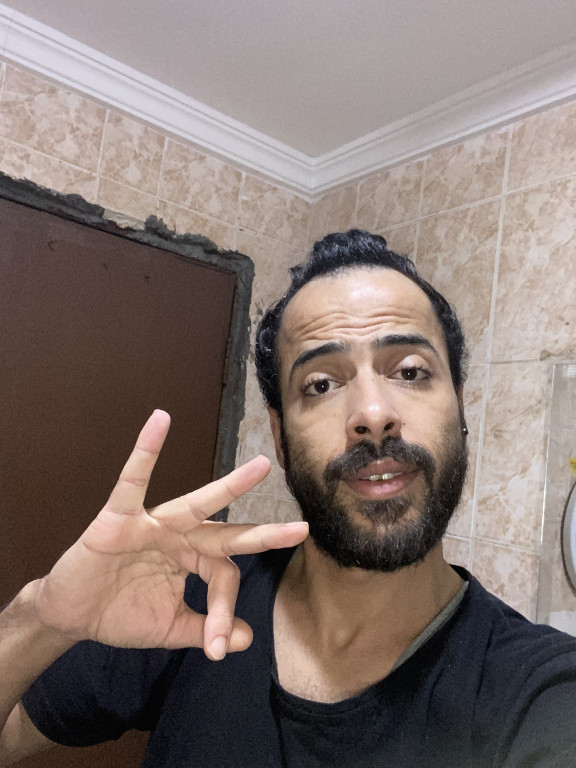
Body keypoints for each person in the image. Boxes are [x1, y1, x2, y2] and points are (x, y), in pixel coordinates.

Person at [1, 229, 575, 767]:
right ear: (279, 436)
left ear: (460, 406)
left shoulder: (542, 696)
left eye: (409, 371)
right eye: (321, 384)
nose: (373, 414)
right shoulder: (194, 603)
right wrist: (44, 615)